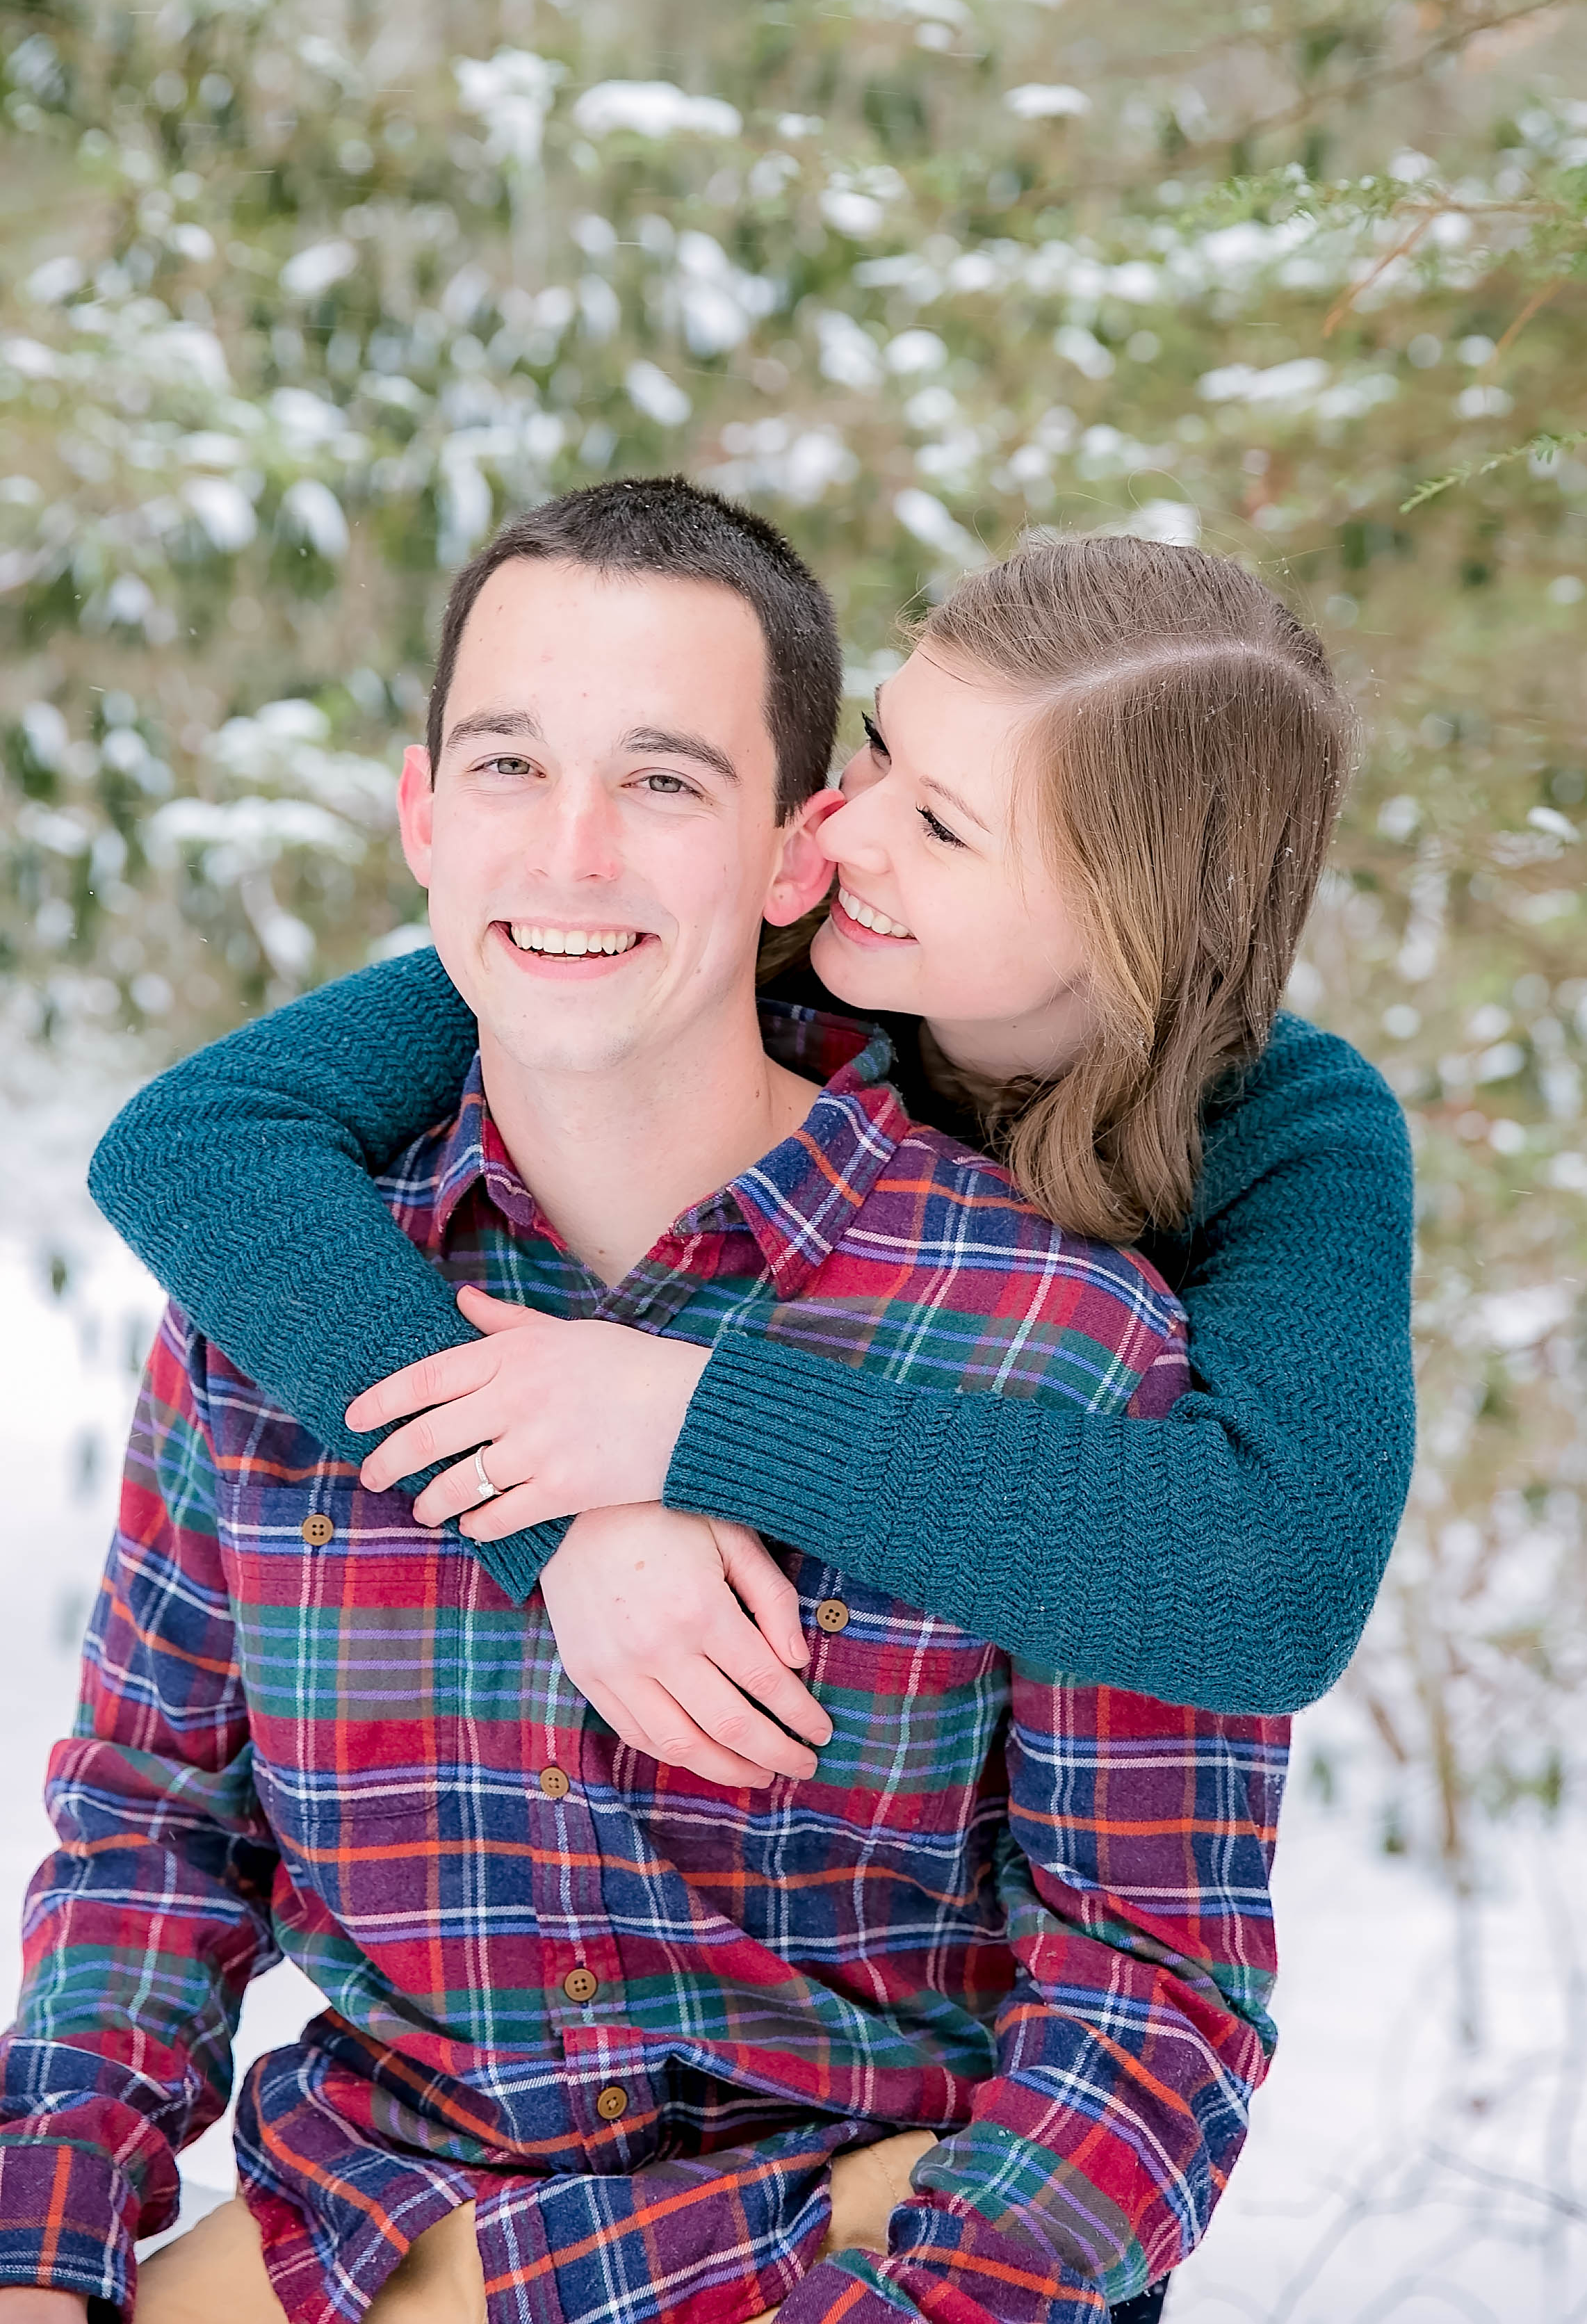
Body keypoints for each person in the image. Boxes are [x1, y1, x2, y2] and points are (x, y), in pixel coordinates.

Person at [0, 482, 1307, 2323]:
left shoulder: (1055, 1350)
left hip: (809, 2257)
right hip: (353, 2240)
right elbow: (152, 1824)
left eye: (668, 782)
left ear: (799, 852)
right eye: (512, 769)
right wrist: (41, 2253)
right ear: (421, 816)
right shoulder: (282, 1298)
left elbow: (1145, 1996)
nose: (573, 853)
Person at [84, 533, 1415, 1741]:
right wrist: (560, 1511)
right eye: (880, 748)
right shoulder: (735, 946)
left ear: (1141, 919)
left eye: (941, 825)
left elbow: (1275, 1581)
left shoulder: (1288, 1128)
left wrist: (684, 1413)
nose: (842, 825)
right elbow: (197, 1140)